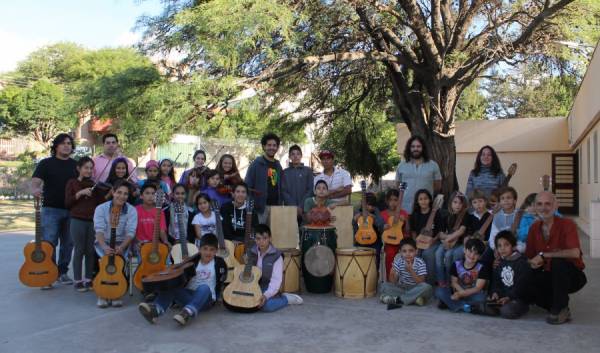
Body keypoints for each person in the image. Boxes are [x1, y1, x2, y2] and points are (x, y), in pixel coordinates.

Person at [520, 191, 587, 324]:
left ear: (556, 206)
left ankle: (559, 308)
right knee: (523, 285)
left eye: (548, 204)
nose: (543, 208)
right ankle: (557, 304)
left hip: (571, 276)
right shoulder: (534, 228)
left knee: (558, 262)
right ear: (534, 206)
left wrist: (544, 255)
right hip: (547, 274)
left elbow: (575, 253)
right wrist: (532, 262)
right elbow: (529, 257)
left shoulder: (567, 224)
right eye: (539, 204)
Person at [138, 233, 227, 326]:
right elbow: (179, 275)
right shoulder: (193, 261)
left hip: (205, 300)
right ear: (199, 249)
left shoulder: (219, 263)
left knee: (204, 288)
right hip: (188, 296)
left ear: (216, 251)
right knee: (172, 286)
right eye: (205, 249)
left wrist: (219, 297)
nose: (208, 253)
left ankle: (187, 313)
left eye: (212, 250)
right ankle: (156, 310)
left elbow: (222, 279)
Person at [31, 133, 78, 288]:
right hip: (50, 209)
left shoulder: (75, 165)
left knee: (68, 243)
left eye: (69, 143)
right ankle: (48, 273)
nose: (67, 146)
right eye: (63, 143)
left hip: (72, 210)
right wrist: (36, 190)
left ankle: (62, 272)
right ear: (56, 146)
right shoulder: (46, 163)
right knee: (48, 243)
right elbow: (36, 182)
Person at [64, 157, 108, 292]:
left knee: (90, 250)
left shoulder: (94, 185)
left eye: (91, 168)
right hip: (77, 220)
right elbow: (67, 203)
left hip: (92, 221)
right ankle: (77, 280)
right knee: (79, 250)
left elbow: (101, 203)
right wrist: (80, 193)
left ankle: (88, 279)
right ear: (79, 168)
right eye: (86, 168)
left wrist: (110, 193)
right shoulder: (72, 183)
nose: (89, 171)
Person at [93, 180, 137, 308]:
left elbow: (130, 232)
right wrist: (104, 247)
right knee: (104, 261)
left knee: (120, 263)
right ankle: (102, 293)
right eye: (119, 192)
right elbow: (99, 230)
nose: (122, 196)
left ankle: (117, 293)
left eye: (125, 194)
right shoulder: (101, 208)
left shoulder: (131, 210)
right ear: (113, 192)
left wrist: (122, 247)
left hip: (122, 243)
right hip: (104, 241)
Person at [246, 224, 303, 312]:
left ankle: (286, 299)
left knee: (266, 306)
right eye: (258, 238)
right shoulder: (251, 251)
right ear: (254, 239)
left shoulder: (276, 256)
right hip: (253, 284)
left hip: (268, 285)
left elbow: (276, 281)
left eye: (265, 238)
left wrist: (266, 295)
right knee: (241, 302)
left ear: (270, 238)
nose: (261, 242)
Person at [435, 238, 490, 312]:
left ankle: (452, 304)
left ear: (480, 256)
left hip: (471, 294)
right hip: (457, 291)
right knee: (439, 291)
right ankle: (465, 307)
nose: (472, 255)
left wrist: (462, 294)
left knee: (482, 298)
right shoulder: (456, 264)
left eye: (476, 254)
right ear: (464, 250)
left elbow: (477, 288)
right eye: (470, 251)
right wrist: (460, 292)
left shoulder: (482, 268)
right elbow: (454, 282)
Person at [486, 231, 531, 319]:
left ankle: (521, 308)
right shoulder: (499, 263)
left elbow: (521, 286)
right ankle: (500, 306)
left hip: (518, 298)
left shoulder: (521, 263)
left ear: (513, 246)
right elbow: (496, 282)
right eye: (499, 246)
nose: (502, 248)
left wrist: (509, 297)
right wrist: (495, 293)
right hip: (503, 298)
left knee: (507, 311)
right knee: (488, 306)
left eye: (506, 245)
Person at [379, 238, 432, 309]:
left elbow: (421, 282)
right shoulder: (399, 261)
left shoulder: (420, 262)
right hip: (402, 287)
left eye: (411, 251)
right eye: (404, 251)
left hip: (416, 288)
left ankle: (397, 300)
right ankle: (414, 299)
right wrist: (393, 274)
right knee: (384, 286)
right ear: (400, 252)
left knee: (427, 287)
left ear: (416, 251)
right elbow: (392, 282)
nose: (408, 254)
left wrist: (411, 271)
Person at [395, 136, 442, 213]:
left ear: (423, 148)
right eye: (413, 146)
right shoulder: (402, 165)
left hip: (425, 208)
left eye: (418, 146)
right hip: (405, 208)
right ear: (409, 148)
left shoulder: (433, 165)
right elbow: (398, 186)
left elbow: (437, 186)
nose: (415, 149)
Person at [245, 132, 284, 224]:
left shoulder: (278, 166)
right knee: (259, 235)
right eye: (269, 145)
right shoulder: (256, 164)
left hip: (276, 208)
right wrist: (252, 205)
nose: (272, 147)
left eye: (274, 145)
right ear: (264, 147)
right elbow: (247, 185)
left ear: (277, 148)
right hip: (260, 208)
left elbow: (281, 186)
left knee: (274, 236)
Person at [409, 189, 444, 285]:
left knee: (427, 254)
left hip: (434, 241)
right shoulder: (414, 215)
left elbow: (440, 231)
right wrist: (415, 243)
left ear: (430, 200)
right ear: (417, 201)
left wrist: (433, 240)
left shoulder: (436, 213)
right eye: (420, 199)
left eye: (425, 198)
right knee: (415, 255)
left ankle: (429, 283)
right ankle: (415, 283)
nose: (423, 201)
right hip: (418, 242)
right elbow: (413, 231)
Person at [435, 191, 469, 287]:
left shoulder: (465, 215)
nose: (458, 205)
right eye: (455, 202)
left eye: (460, 203)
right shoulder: (446, 215)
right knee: (438, 253)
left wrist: (448, 239)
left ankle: (450, 281)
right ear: (450, 203)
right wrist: (446, 238)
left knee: (449, 255)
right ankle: (441, 281)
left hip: (459, 243)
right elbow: (440, 233)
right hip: (448, 241)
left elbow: (461, 231)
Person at [484, 186, 518, 267]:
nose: (505, 200)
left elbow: (521, 236)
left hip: (515, 247)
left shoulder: (519, 215)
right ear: (499, 202)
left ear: (515, 201)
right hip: (499, 246)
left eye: (509, 198)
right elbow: (493, 236)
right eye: (502, 198)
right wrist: (496, 248)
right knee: (485, 260)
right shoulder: (497, 216)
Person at [380, 189, 409, 279]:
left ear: (399, 201)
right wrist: (383, 227)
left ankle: (405, 280)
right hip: (389, 242)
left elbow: (408, 230)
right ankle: (390, 280)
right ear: (387, 201)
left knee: (406, 255)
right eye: (390, 200)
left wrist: (405, 220)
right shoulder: (383, 214)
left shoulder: (403, 213)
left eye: (395, 200)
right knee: (389, 254)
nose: (392, 203)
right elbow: (379, 231)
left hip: (402, 241)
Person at [352, 192, 385, 268]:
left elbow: (381, 225)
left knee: (374, 264)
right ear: (362, 203)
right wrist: (354, 220)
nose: (368, 207)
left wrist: (373, 217)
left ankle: (374, 276)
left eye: (371, 205)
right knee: (360, 264)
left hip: (375, 242)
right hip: (360, 241)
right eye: (367, 204)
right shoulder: (357, 210)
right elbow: (354, 228)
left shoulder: (376, 211)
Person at [282, 145, 314, 221]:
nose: (295, 156)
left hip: (305, 209)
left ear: (301, 156)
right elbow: (283, 191)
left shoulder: (308, 171)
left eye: (298, 154)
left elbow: (310, 189)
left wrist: (301, 206)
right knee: (290, 231)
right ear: (289, 156)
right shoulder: (284, 172)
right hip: (290, 209)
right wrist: (294, 207)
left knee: (305, 231)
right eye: (293, 154)